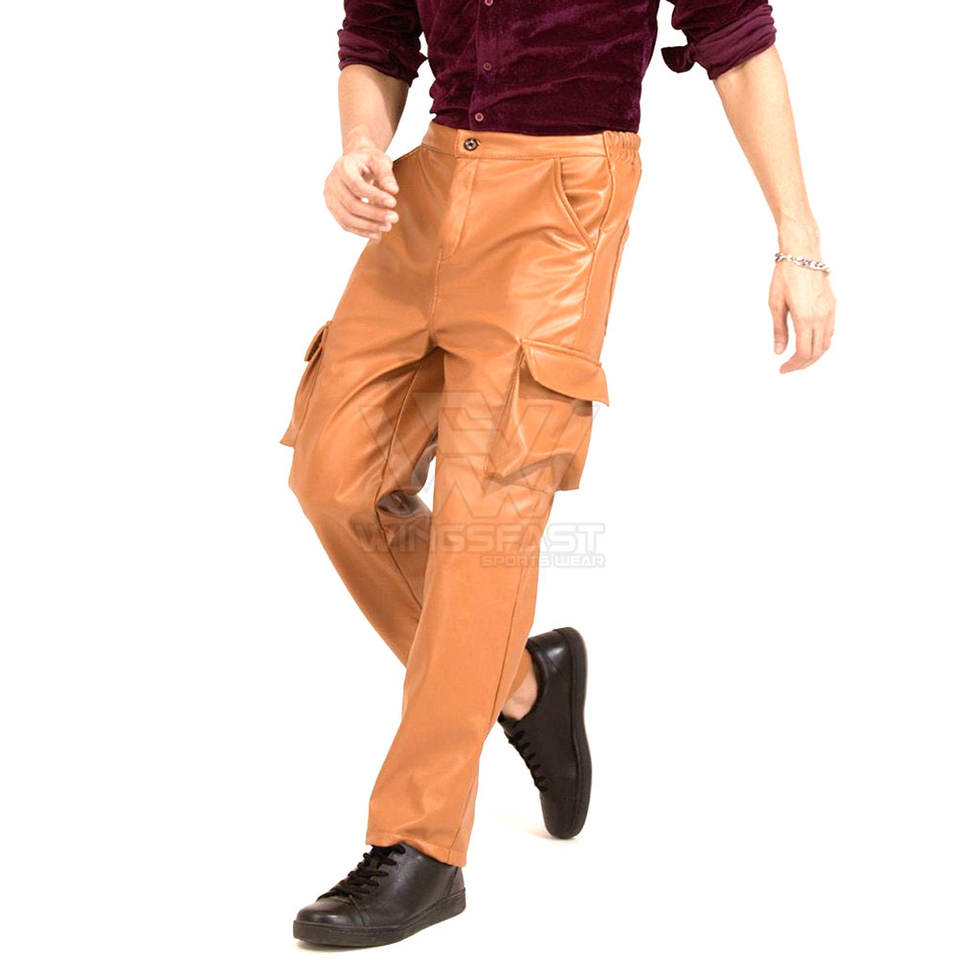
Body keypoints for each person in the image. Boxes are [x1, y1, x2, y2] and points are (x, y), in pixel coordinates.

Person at [281, 0, 835, 947]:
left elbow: (739, 44)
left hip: (564, 200)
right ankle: (526, 686)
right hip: (429, 185)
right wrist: (360, 145)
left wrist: (798, 243)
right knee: (333, 477)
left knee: (483, 529)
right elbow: (376, 40)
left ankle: (421, 847)